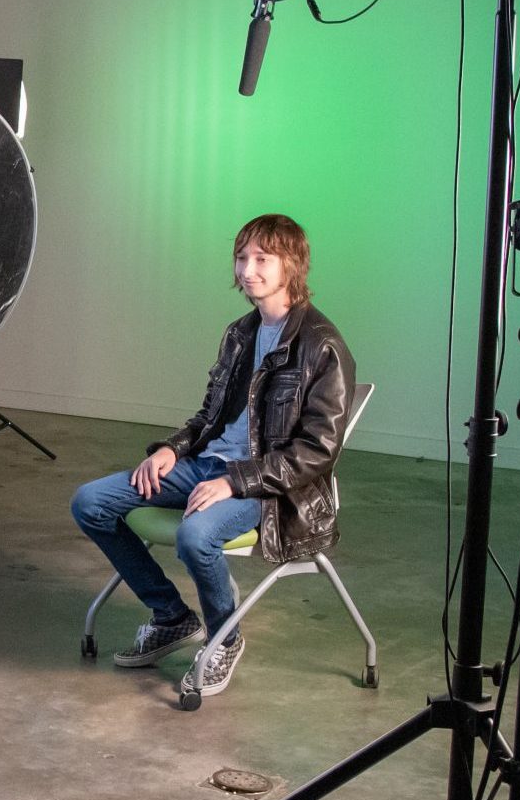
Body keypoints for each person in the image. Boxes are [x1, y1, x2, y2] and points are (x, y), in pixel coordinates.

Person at [70, 213, 354, 703]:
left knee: (195, 533)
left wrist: (236, 481)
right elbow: (210, 416)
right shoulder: (240, 333)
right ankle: (173, 618)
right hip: (208, 465)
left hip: (272, 488)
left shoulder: (321, 344)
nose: (248, 270)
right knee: (91, 502)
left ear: (292, 265)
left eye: (262, 259)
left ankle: (225, 636)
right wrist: (170, 449)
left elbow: (318, 451)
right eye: (242, 258)